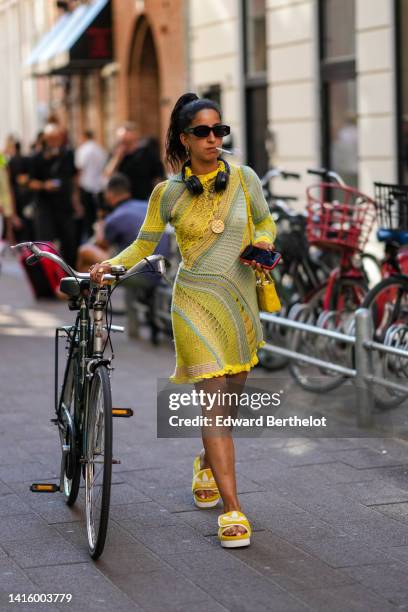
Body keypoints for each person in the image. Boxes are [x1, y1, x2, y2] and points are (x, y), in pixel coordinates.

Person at [90, 93, 277, 548]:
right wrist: (110, 265)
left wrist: (265, 245)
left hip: (239, 303)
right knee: (213, 405)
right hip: (192, 304)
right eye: (203, 132)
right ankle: (233, 510)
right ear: (184, 138)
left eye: (220, 131)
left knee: (231, 400)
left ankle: (205, 462)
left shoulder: (246, 179)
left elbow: (266, 221)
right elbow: (142, 245)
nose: (213, 139)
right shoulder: (167, 192)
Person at [28, 123, 79, 268]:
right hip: (45, 208)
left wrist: (76, 200)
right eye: (51, 138)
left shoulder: (68, 154)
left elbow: (74, 177)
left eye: (57, 138)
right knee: (45, 245)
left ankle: (70, 276)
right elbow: (29, 182)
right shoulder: (36, 157)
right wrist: (44, 185)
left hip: (64, 206)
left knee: (70, 243)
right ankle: (49, 278)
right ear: (45, 139)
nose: (55, 142)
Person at [104, 122, 164, 200]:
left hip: (144, 198)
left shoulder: (146, 152)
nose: (124, 144)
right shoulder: (115, 153)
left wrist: (158, 196)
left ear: (135, 138)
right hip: (122, 200)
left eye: (128, 141)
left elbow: (158, 176)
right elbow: (108, 175)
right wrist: (117, 158)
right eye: (122, 141)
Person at [75, 129, 108, 239]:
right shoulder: (100, 149)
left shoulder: (83, 150)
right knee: (100, 216)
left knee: (88, 218)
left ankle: (91, 239)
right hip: (99, 186)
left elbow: (79, 169)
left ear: (84, 136)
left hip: (86, 186)